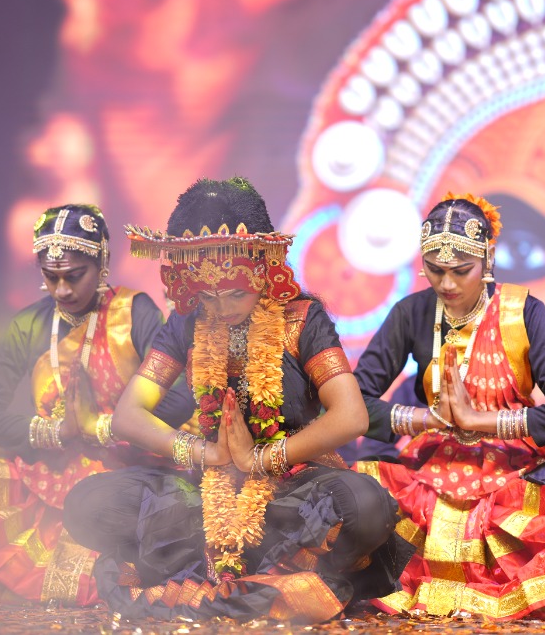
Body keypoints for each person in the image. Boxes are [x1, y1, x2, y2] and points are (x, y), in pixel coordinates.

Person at [63, 177, 409, 623]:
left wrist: (261, 459)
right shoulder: (187, 321)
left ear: (263, 272)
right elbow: (130, 415)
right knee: (86, 503)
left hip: (294, 488)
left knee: (366, 507)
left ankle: (263, 569)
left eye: (234, 294)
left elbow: (352, 416)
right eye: (208, 296)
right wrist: (206, 452)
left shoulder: (301, 318)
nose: (221, 307)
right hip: (207, 491)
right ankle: (240, 568)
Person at [0, 204, 194, 605]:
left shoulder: (134, 312)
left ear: (101, 264)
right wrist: (55, 432)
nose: (62, 290)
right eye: (51, 277)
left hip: (130, 469)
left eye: (74, 276)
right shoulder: (30, 324)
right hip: (52, 471)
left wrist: (99, 426)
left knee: (111, 569)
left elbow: (182, 397)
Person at [352, 193, 545, 620]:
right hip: (431, 468)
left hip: (517, 469)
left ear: (487, 261)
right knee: (344, 487)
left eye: (461, 271)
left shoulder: (523, 313)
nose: (447, 284)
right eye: (435, 270)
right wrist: (424, 419)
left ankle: (540, 582)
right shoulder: (413, 312)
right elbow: (354, 404)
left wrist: (481, 422)